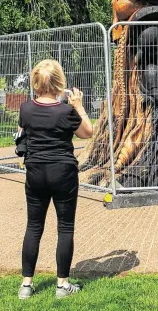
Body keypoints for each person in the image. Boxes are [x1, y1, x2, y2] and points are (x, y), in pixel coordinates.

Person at [17, 59, 93, 300]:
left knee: (33, 226)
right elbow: (87, 132)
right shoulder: (66, 111)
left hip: (35, 172)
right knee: (65, 227)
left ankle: (26, 285)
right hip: (63, 172)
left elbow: (25, 132)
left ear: (35, 83)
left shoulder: (25, 109)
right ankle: (62, 285)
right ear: (60, 83)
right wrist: (78, 105)